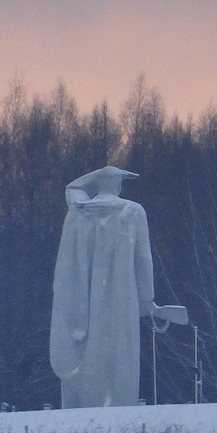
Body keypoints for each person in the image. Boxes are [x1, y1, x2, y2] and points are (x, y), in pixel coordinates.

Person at [50, 166, 186, 409]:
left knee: (90, 351)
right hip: (122, 298)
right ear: (119, 186)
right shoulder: (132, 211)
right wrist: (147, 301)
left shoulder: (78, 214)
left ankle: (83, 404)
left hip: (84, 299)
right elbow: (144, 261)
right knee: (118, 355)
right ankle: (119, 405)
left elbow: (66, 266)